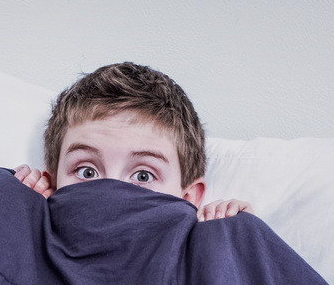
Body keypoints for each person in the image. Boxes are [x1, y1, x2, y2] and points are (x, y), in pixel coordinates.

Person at [13, 62, 251, 221]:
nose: (111, 195)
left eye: (143, 176)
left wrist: (239, 242)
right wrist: (16, 215)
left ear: (188, 199)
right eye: (87, 172)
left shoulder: (207, 249)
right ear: (52, 184)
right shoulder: (27, 229)